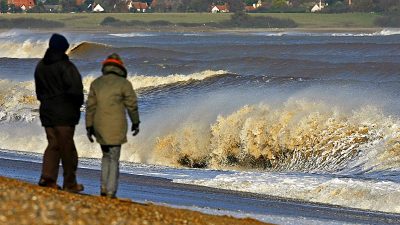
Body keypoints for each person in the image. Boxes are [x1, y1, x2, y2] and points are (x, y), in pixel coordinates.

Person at [34, 33, 84, 193]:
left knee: (53, 144)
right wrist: (76, 106)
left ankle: (47, 178)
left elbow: (39, 92)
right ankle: (70, 183)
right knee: (67, 148)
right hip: (65, 113)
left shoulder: (41, 66)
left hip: (47, 112)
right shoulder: (66, 66)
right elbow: (76, 90)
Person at [86, 53, 140, 198]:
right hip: (117, 126)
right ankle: (110, 191)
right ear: (120, 67)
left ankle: (103, 188)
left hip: (100, 126)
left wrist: (89, 126)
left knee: (105, 156)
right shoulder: (124, 84)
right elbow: (132, 105)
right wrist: (135, 122)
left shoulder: (96, 83)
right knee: (114, 158)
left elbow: (90, 107)